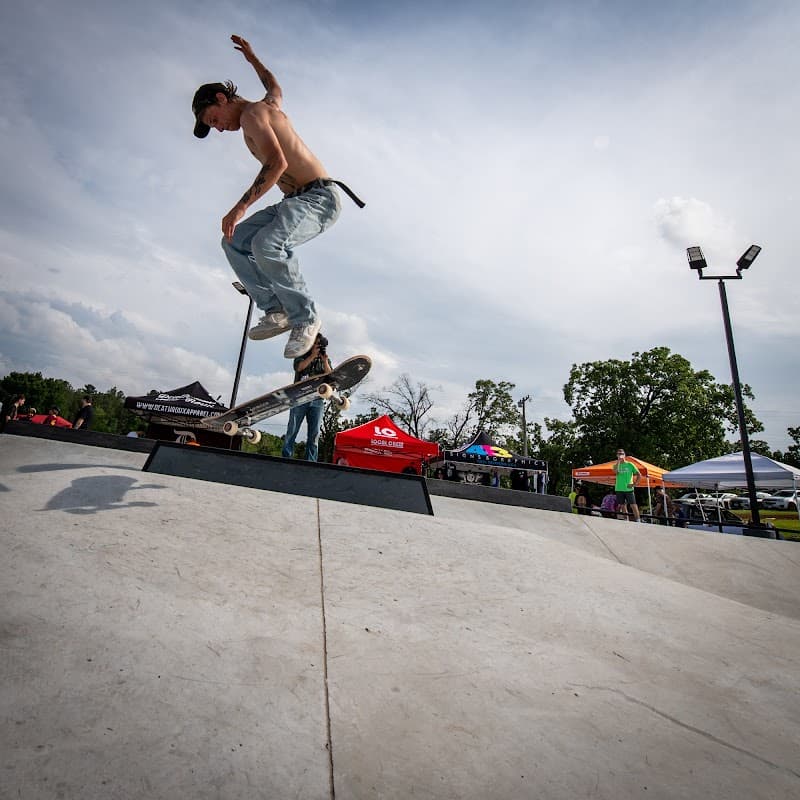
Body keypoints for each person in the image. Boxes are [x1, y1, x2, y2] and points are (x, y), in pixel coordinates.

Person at [191, 35, 364, 359]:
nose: (219, 129)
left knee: (266, 244)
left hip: (318, 198)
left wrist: (240, 207)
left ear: (221, 98)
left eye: (214, 119)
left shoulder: (252, 116)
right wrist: (252, 58)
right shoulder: (267, 108)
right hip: (294, 202)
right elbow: (274, 86)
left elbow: (276, 163)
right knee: (233, 241)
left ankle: (305, 317)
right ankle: (276, 309)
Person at [281, 333, 332, 461]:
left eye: (320, 344)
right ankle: (286, 457)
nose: (318, 346)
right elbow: (299, 368)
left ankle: (311, 461)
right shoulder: (301, 354)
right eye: (316, 343)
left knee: (314, 433)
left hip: (317, 399)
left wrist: (325, 361)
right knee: (292, 429)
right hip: (299, 398)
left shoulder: (324, 359)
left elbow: (330, 376)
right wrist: (312, 356)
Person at [612, 448, 641, 522]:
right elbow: (616, 472)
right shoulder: (615, 465)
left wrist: (634, 484)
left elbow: (639, 474)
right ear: (617, 455)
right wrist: (618, 461)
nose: (620, 455)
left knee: (633, 505)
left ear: (625, 455)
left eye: (622, 453)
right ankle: (626, 520)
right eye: (618, 454)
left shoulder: (630, 464)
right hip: (619, 488)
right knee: (622, 505)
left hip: (629, 489)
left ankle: (638, 520)